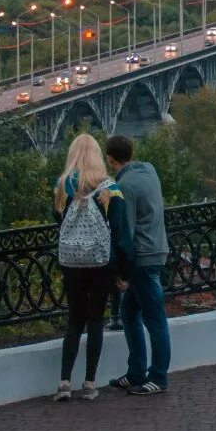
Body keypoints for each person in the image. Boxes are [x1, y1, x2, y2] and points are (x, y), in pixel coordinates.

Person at [52, 134, 134, 401]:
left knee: (75, 319)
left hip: (71, 262)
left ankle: (64, 381)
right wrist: (124, 271)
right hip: (101, 262)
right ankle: (89, 383)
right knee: (96, 319)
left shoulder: (63, 186)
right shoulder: (109, 188)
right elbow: (121, 233)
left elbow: (58, 219)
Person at [105, 134, 171, 396]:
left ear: (110, 159)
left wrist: (123, 273)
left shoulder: (124, 188)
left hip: (142, 258)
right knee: (130, 312)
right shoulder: (149, 170)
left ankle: (158, 376)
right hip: (158, 248)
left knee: (154, 318)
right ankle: (135, 372)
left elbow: (126, 233)